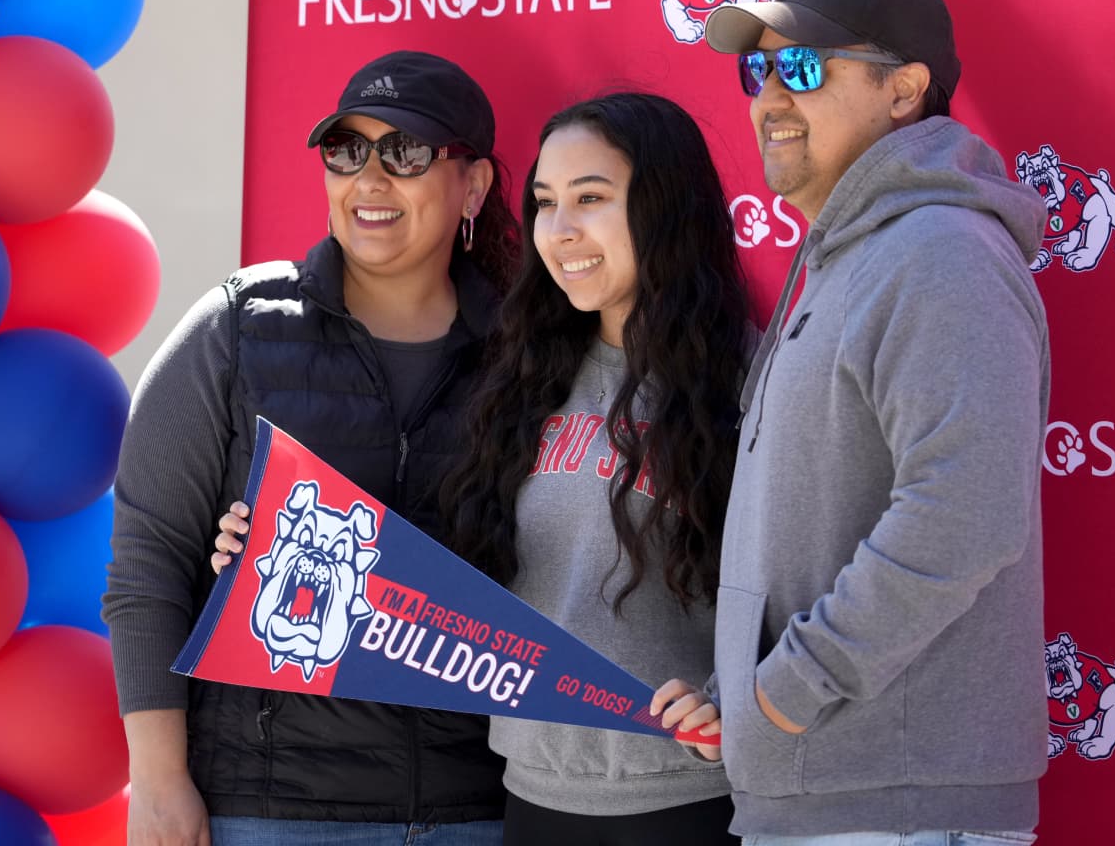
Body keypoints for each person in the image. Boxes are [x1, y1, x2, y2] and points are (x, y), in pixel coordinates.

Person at [216, 91, 750, 846]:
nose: (560, 232)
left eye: (591, 198)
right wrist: (268, 550)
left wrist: (738, 697)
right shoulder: (519, 378)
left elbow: (807, 591)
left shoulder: (751, 384)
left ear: (666, 208)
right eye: (544, 203)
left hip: (689, 802)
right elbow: (443, 592)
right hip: (528, 801)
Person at [670, 0, 1051, 846]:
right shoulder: (852, 254)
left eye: (800, 65)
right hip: (829, 797)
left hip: (899, 811)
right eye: (755, 68)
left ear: (904, 89)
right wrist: (742, 697)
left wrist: (788, 693)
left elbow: (965, 516)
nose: (768, 96)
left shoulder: (940, 253)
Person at [103, 50, 519, 846]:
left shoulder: (529, 358)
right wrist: (158, 785)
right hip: (268, 811)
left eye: (405, 153)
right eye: (345, 151)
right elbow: (146, 567)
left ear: (473, 185)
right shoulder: (236, 328)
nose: (369, 179)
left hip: (477, 810)